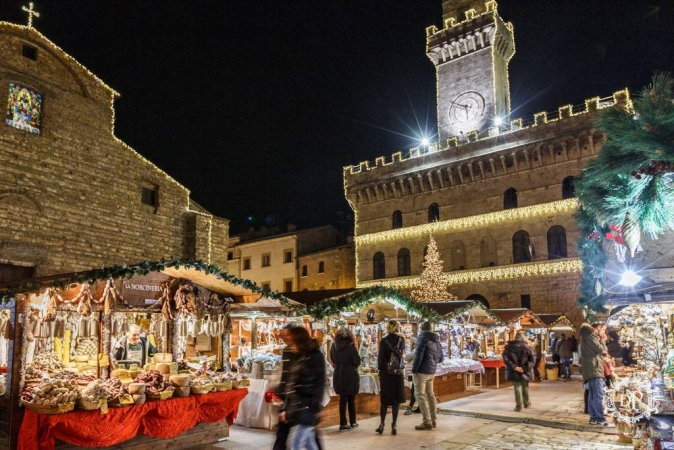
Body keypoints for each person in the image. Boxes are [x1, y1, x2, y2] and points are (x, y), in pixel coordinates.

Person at [279, 326, 326, 450]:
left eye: (292, 342)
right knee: (309, 443)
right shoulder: (297, 356)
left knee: (295, 445)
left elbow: (320, 382)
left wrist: (317, 406)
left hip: (307, 406)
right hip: (296, 408)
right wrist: (285, 408)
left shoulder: (315, 356)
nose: (290, 345)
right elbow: (290, 383)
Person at [580, 322, 614, 427]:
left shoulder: (587, 335)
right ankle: (600, 418)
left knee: (593, 394)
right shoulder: (591, 335)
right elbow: (599, 349)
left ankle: (594, 417)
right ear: (598, 328)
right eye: (603, 329)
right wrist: (602, 341)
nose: (604, 332)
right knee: (598, 394)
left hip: (591, 367)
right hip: (594, 368)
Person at [412, 321, 443, 431]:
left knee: (420, 395)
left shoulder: (423, 338)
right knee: (430, 395)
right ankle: (433, 419)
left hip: (422, 371)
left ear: (421, 329)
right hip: (432, 371)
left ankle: (426, 421)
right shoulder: (437, 340)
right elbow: (441, 358)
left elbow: (418, 355)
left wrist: (414, 369)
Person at [376, 320, 406, 436]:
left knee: (384, 401)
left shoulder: (383, 341)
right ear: (397, 327)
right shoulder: (401, 340)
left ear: (388, 327)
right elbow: (401, 355)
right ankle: (394, 425)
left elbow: (380, 358)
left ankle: (382, 424)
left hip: (386, 373)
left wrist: (380, 370)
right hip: (397, 373)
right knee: (395, 401)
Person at [330, 328, 361, 431]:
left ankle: (343, 423)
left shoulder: (333, 346)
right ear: (350, 336)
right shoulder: (351, 346)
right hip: (350, 374)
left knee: (342, 399)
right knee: (351, 399)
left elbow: (333, 360)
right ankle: (353, 421)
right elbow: (357, 361)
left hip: (338, 374)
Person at [404, 337, 420, 415]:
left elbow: (406, 357)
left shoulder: (416, 350)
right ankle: (419, 407)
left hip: (412, 372)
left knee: (414, 390)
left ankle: (410, 407)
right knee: (415, 390)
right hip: (414, 372)